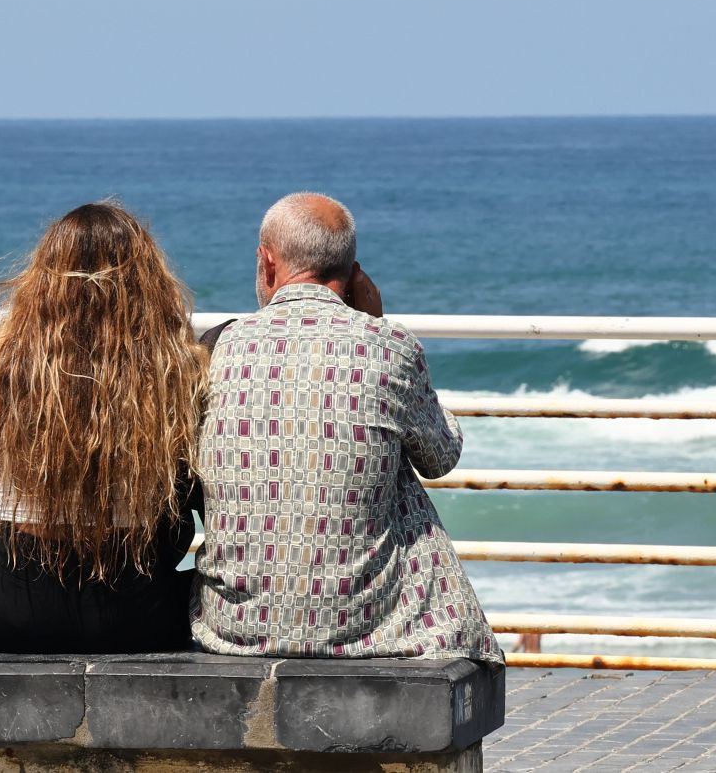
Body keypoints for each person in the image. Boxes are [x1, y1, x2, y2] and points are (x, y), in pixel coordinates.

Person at [191, 192, 503, 663]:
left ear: (267, 262)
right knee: (395, 464)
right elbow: (440, 457)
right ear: (355, 273)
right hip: (361, 625)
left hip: (234, 627)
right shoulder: (388, 346)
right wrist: (376, 325)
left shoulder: (218, 350)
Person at [0, 202, 209, 653]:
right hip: (137, 614)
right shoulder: (171, 367)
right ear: (146, 279)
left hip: (13, 611)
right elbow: (188, 497)